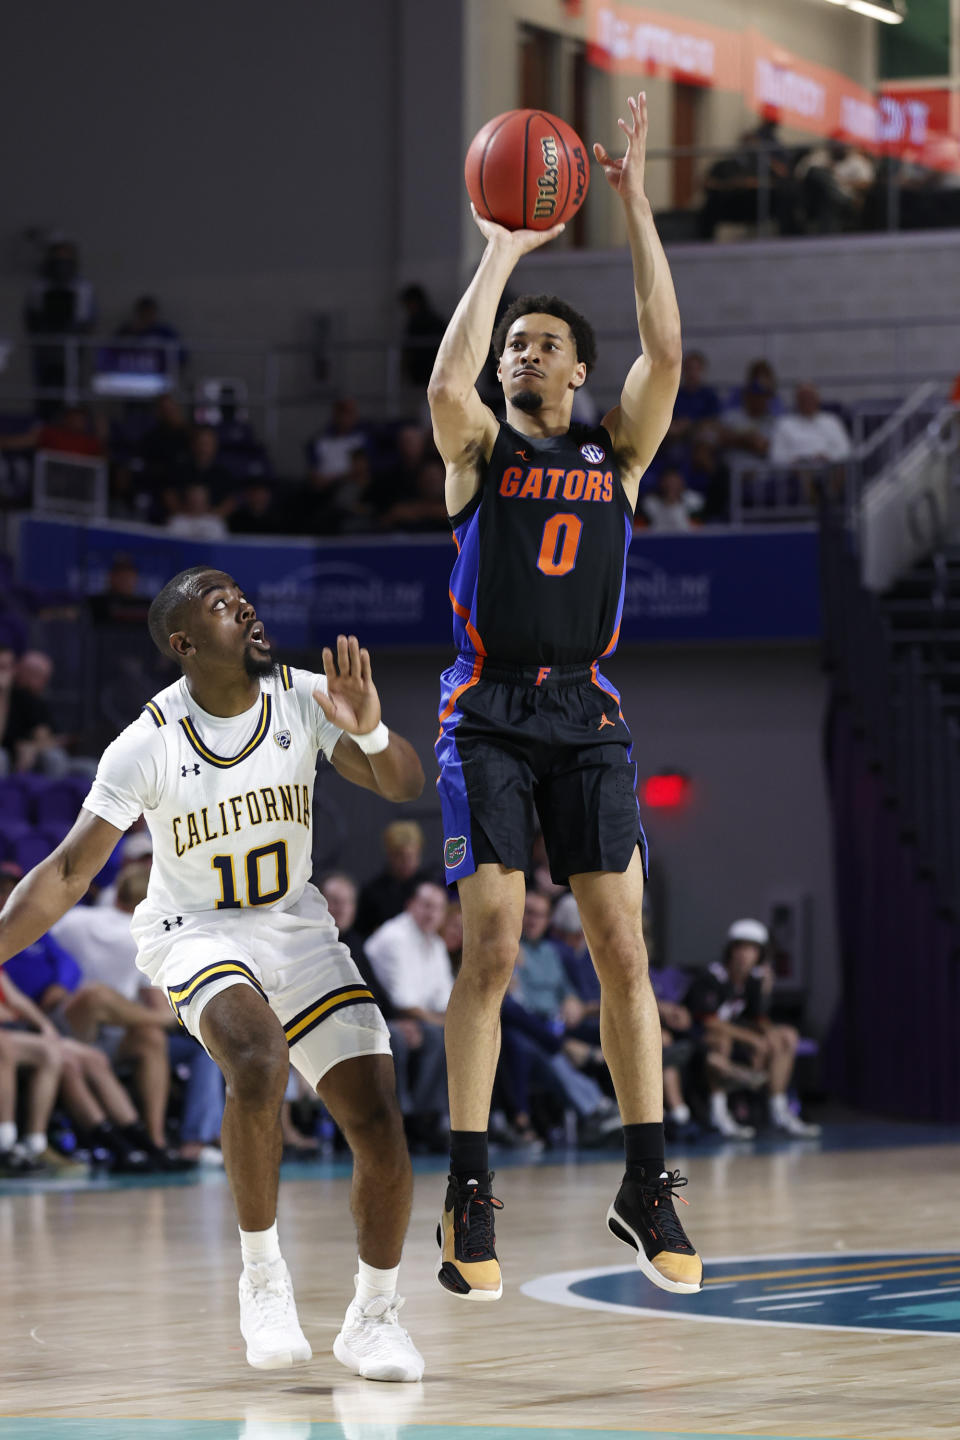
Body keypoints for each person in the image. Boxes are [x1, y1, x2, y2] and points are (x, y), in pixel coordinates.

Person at [0, 564, 426, 1381]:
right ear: (186, 644)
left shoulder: (300, 694)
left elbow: (400, 784)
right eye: (224, 604)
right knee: (258, 1058)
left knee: (377, 1114)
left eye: (243, 594)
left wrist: (369, 731)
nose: (246, 606)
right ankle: (262, 1280)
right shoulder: (148, 741)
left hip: (294, 926)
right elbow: (63, 874)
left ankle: (375, 1316)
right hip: (193, 931)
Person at [426, 92, 701, 1302]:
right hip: (485, 712)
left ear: (578, 369)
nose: (521, 354)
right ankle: (469, 1191)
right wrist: (503, 249)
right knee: (489, 950)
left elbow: (668, 349)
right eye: (513, 346)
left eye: (542, 344)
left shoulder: (617, 455)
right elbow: (447, 381)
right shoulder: (481, 453)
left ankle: (646, 1185)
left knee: (625, 954)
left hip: (586, 712)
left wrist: (634, 204)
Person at [685, 918, 821, 1140]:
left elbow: (758, 1018)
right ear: (731, 950)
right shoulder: (712, 976)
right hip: (702, 1038)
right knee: (722, 1039)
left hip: (737, 1038)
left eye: (752, 949)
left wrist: (770, 1030)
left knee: (786, 1035)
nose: (745, 955)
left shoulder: (753, 981)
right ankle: (718, 1113)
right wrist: (752, 1039)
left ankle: (779, 1109)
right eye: (740, 947)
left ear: (760, 955)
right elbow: (708, 1021)